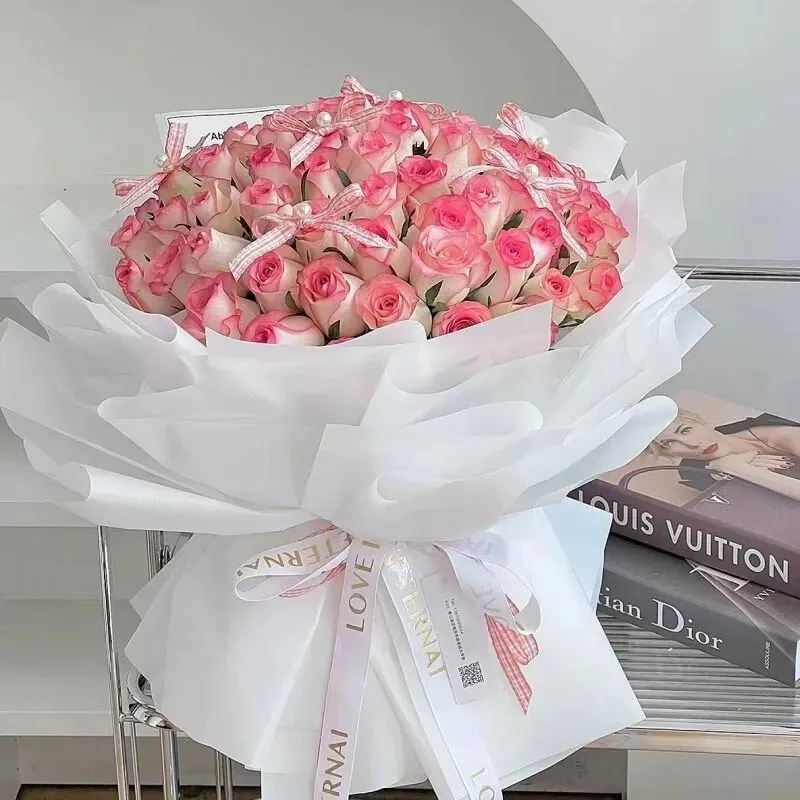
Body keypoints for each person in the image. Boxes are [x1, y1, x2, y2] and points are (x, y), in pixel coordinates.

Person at [650, 409, 800, 501]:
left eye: (685, 430)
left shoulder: (789, 435)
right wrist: (717, 466)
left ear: (698, 420)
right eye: (667, 444)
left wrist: (739, 469)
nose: (693, 443)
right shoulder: (693, 468)